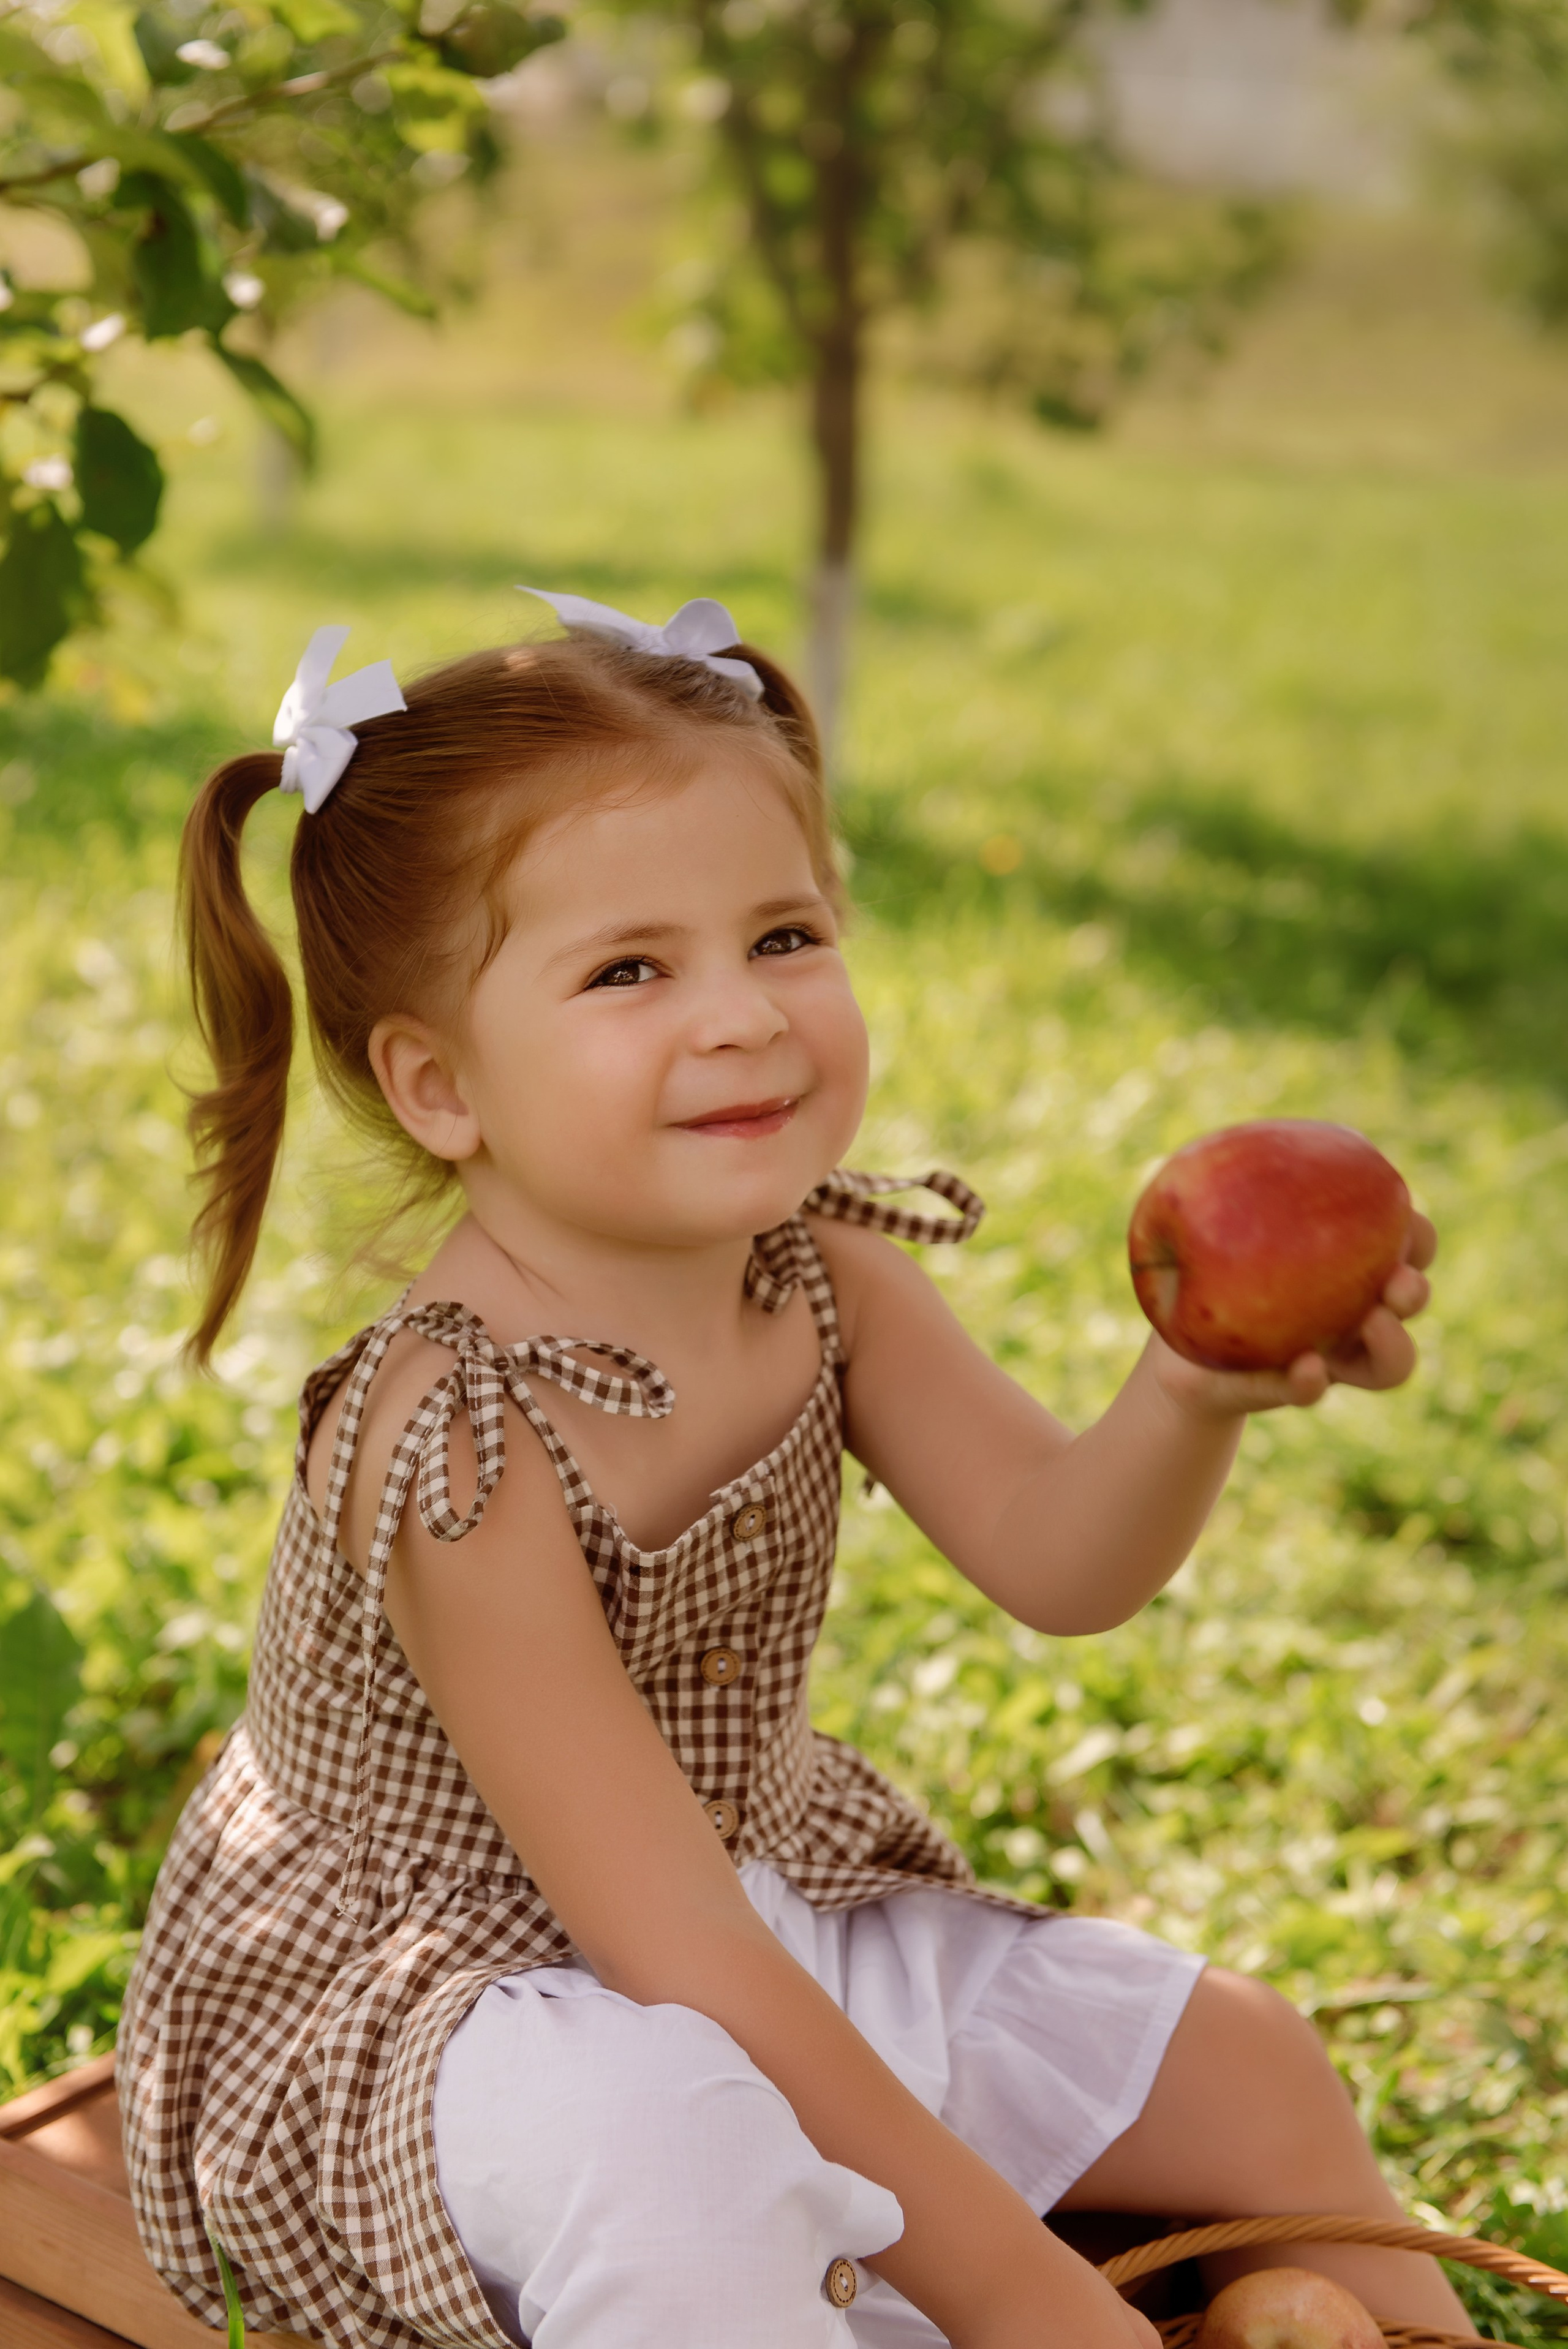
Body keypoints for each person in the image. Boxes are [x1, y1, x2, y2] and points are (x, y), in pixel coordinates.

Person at [117, 595, 1463, 2349]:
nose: (745, 1015)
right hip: (450, 2009)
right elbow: (675, 1962)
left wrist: (1195, 1385)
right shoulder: (453, 1437)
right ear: (440, 1084)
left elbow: (1062, 1559)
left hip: (728, 1903)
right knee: (687, 2174)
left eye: (785, 933)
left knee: (1244, 2059)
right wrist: (1040, 2305)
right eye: (629, 969)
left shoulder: (818, 1266)